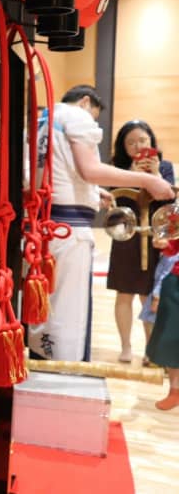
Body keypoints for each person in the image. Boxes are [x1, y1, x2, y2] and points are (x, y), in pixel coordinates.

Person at [27, 85, 174, 362]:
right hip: (69, 231)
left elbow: (55, 174)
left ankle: (44, 363)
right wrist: (147, 180)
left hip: (46, 225)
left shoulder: (44, 120)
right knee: (69, 315)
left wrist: (94, 193)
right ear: (85, 102)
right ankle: (62, 374)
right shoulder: (77, 116)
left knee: (48, 309)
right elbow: (90, 170)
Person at [106, 120, 174, 363]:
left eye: (143, 141)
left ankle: (150, 349)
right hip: (126, 235)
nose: (138, 146)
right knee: (124, 294)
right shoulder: (117, 168)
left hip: (155, 237)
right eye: (131, 142)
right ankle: (125, 347)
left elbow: (169, 199)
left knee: (149, 296)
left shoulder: (165, 167)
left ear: (151, 142)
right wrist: (132, 175)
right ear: (123, 147)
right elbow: (113, 200)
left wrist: (154, 175)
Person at [146, 239, 179, 411]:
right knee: (170, 338)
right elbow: (173, 247)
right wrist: (166, 244)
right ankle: (174, 391)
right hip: (175, 282)